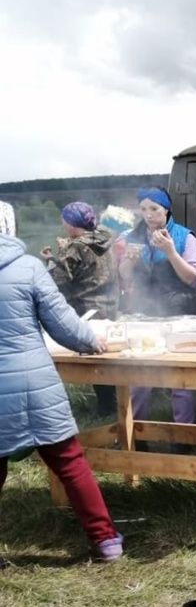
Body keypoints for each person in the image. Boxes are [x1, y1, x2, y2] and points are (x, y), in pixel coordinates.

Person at [0, 232, 123, 561]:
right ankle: (105, 542)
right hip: (32, 385)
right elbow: (63, 324)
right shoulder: (27, 268)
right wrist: (90, 340)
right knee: (70, 462)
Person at [118, 186, 196, 425]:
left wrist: (170, 252)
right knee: (138, 377)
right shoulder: (131, 237)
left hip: (178, 314)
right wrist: (129, 262)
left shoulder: (185, 237)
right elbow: (124, 277)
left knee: (180, 380)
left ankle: (183, 437)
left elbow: (193, 278)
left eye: (154, 208)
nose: (148, 214)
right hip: (144, 314)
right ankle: (138, 436)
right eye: (143, 209)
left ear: (166, 209)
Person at [41, 201, 119, 419]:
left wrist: (57, 256)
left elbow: (59, 283)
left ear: (70, 224)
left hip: (87, 311)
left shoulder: (75, 247)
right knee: (109, 361)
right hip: (110, 308)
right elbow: (87, 269)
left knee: (96, 364)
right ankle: (116, 407)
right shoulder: (104, 237)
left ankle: (107, 411)